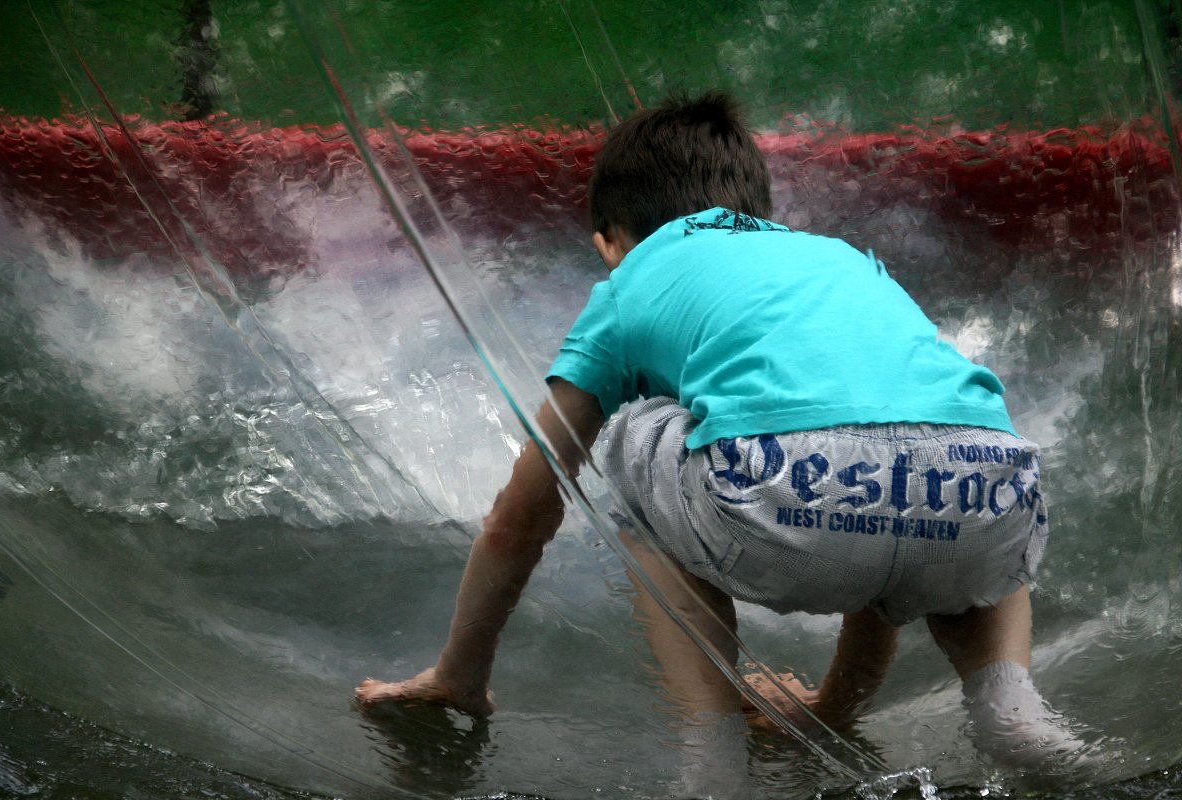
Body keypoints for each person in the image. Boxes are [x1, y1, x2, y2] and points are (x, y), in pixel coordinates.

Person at [356, 91, 1087, 772]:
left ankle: (713, 757)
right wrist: (834, 706)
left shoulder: (626, 284)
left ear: (611, 242)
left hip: (789, 513)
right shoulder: (839, 260)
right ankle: (1011, 709)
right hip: (991, 493)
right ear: (758, 211)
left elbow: (523, 513)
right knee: (928, 441)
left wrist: (460, 673)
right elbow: (881, 490)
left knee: (631, 434)